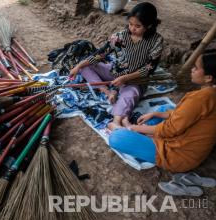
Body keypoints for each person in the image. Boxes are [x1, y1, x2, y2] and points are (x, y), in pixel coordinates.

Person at [109, 49, 216, 173]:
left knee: (116, 137)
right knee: (162, 110)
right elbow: (185, 115)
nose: (192, 70)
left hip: (177, 157)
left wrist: (132, 128)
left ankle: (126, 129)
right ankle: (137, 130)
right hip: (187, 145)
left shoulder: (201, 98)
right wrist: (156, 114)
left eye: (196, 67)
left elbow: (169, 130)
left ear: (209, 78)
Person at [69, 2, 164, 130]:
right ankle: (108, 92)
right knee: (85, 67)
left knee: (130, 95)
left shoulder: (155, 41)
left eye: (138, 26)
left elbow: (150, 68)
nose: (132, 28)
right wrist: (78, 66)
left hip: (135, 80)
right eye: (130, 24)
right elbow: (100, 54)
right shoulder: (121, 37)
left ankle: (116, 121)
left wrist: (125, 78)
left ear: (150, 25)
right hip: (114, 73)